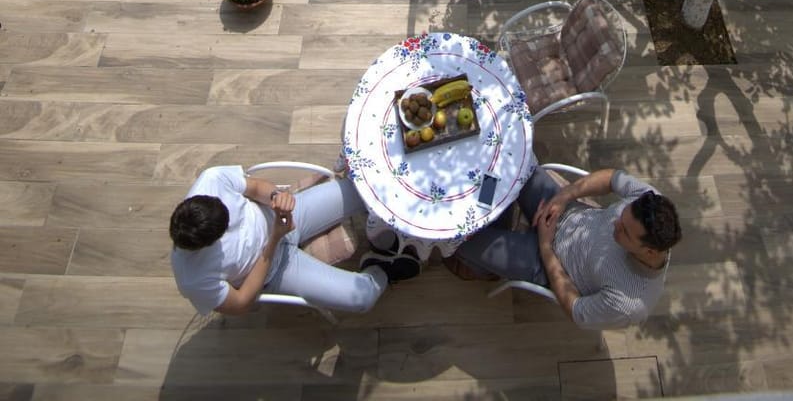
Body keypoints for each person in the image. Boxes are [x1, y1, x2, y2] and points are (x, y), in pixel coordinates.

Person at [169, 164, 420, 317]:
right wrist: (274, 239)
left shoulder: (211, 182)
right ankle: (381, 266)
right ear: (212, 241)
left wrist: (276, 197)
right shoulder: (193, 278)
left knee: (362, 190)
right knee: (363, 298)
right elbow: (242, 302)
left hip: (285, 214)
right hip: (276, 268)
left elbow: (255, 187)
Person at [453, 166, 681, 331]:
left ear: (649, 251)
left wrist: (545, 245)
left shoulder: (629, 303)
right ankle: (496, 217)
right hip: (563, 208)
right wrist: (564, 196)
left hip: (546, 261)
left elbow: (576, 309)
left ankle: (484, 263)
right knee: (507, 165)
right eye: (621, 216)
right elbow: (612, 178)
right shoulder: (650, 202)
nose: (615, 223)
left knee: (461, 242)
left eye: (624, 231)